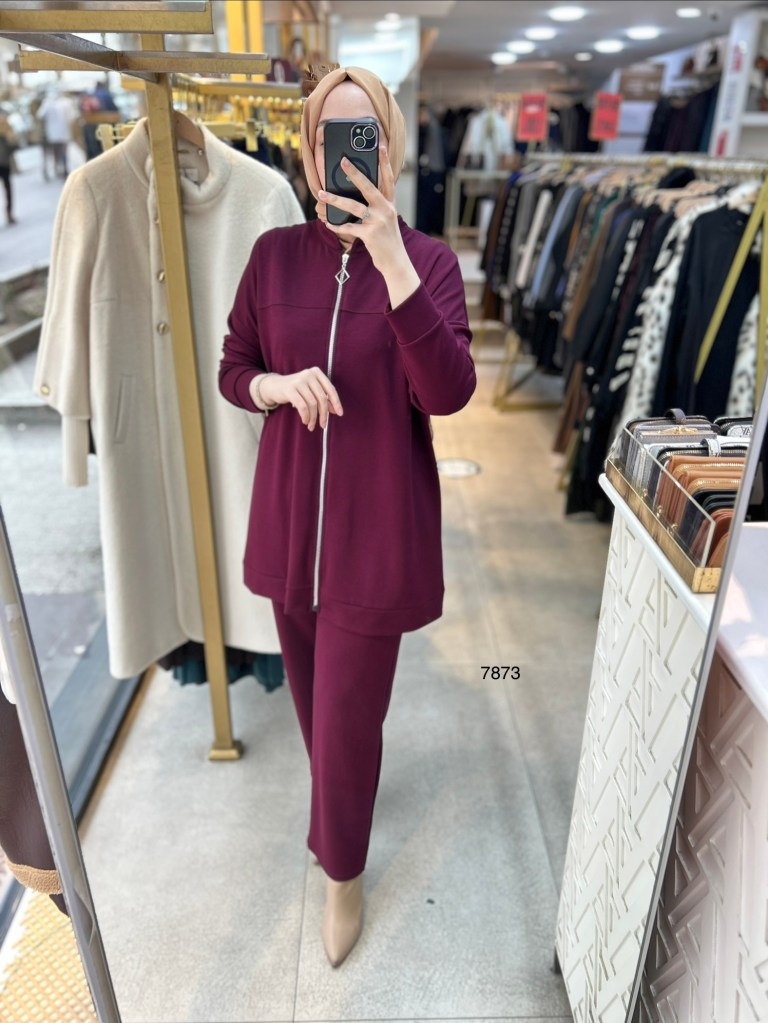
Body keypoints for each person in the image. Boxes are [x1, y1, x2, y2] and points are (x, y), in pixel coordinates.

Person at [219, 66, 476, 967]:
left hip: (376, 537)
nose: (349, 152)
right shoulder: (273, 258)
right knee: (316, 709)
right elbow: (233, 364)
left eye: (366, 133)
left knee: (343, 717)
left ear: (390, 148)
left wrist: (393, 260)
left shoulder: (429, 263)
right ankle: (342, 804)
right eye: (333, 134)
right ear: (308, 150)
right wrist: (275, 386)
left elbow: (447, 392)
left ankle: (343, 872)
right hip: (290, 525)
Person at [37, 88, 76, 178]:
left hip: (55, 133)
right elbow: (72, 117)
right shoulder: (64, 102)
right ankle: (62, 168)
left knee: (57, 152)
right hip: (62, 132)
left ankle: (61, 168)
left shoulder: (49, 102)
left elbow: (40, 115)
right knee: (62, 151)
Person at [0, 112, 18, 225]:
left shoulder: (5, 126)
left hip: (4, 163)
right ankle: (9, 212)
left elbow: (13, 145)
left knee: (8, 188)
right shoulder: (4, 125)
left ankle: (9, 212)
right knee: (8, 188)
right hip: (4, 162)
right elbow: (13, 145)